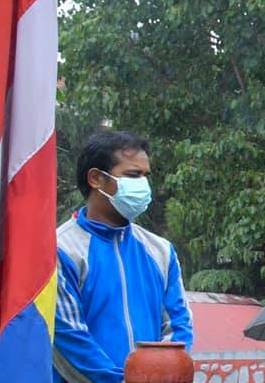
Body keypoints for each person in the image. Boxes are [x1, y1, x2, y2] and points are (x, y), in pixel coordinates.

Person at [53, 131, 192, 383]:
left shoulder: (160, 250)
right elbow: (68, 336)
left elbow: (178, 325)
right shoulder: (61, 250)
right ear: (96, 178)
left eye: (146, 175)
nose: (143, 185)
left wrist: (166, 372)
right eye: (132, 175)